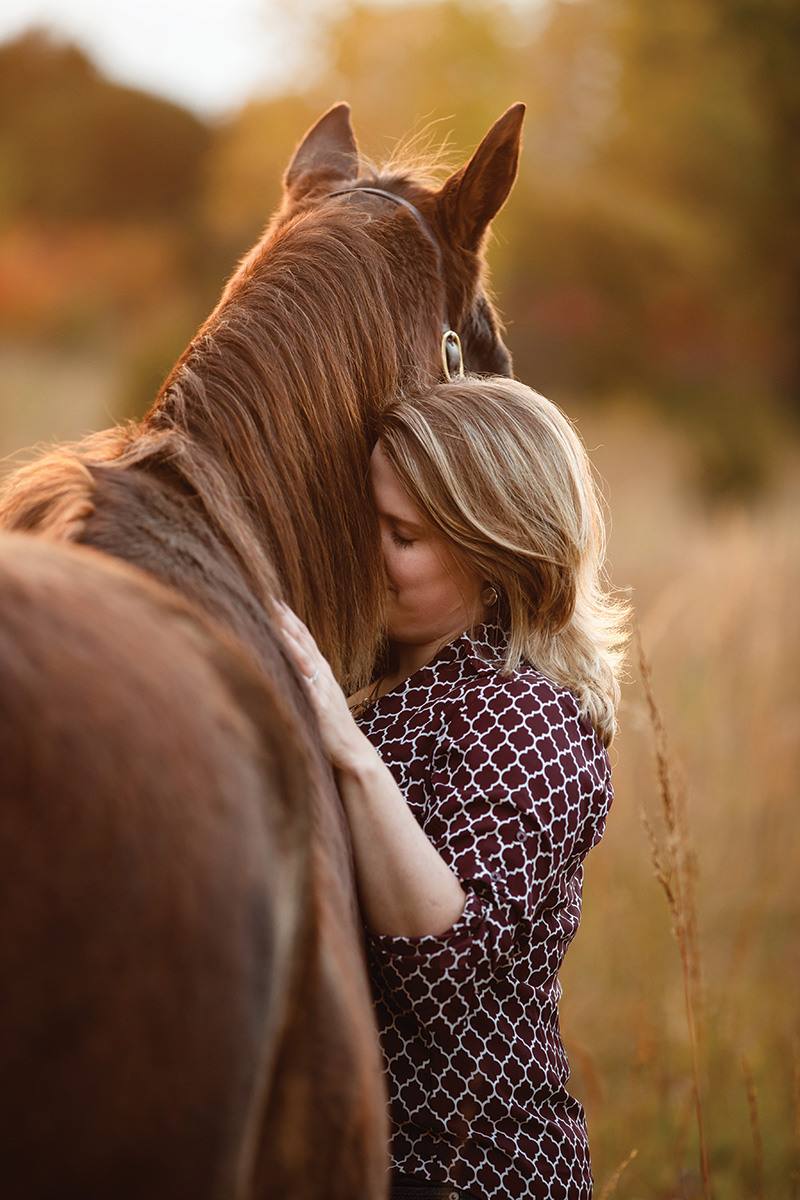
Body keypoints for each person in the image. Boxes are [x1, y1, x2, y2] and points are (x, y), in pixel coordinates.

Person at [278, 375, 628, 1200]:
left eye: (401, 535)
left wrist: (351, 755)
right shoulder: (379, 678)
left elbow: (441, 969)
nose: (369, 552)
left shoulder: (527, 718)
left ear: (495, 550)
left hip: (465, 1168)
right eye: (366, 521)